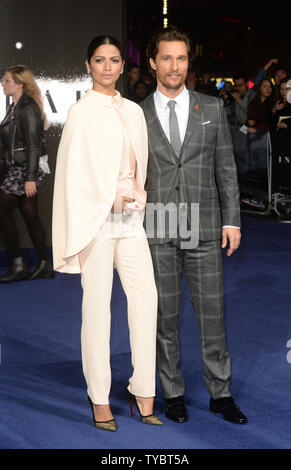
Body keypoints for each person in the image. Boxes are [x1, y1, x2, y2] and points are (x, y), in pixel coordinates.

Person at [52, 35, 162, 432]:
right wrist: (104, 200)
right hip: (96, 223)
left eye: (114, 60)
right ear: (88, 65)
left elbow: (141, 163)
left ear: (122, 66)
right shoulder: (80, 112)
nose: (108, 67)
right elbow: (72, 174)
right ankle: (99, 396)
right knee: (96, 311)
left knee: (146, 300)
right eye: (100, 60)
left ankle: (142, 388)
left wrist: (134, 194)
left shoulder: (132, 110)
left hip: (130, 220)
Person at [140, 26, 247, 425]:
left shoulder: (212, 108)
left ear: (189, 62)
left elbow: (226, 168)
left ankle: (221, 393)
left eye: (181, 58)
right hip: (159, 225)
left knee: (212, 316)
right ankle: (173, 393)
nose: (174, 66)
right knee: (164, 317)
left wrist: (232, 219)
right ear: (153, 63)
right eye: (166, 58)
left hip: (204, 225)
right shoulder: (138, 113)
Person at [0, 65, 53, 282]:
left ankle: (19, 264)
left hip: (26, 167)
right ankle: (44, 265)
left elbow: (32, 144)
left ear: (20, 84)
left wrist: (30, 176)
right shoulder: (14, 107)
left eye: (7, 81)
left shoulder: (27, 107)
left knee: (2, 210)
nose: (3, 84)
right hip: (19, 167)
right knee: (29, 213)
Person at [219, 73, 256, 175]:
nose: (238, 88)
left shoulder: (252, 94)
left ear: (247, 84)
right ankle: (241, 176)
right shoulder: (236, 95)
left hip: (250, 128)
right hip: (239, 128)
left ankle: (248, 175)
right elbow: (230, 110)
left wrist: (239, 100)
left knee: (247, 154)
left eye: (241, 85)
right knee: (238, 154)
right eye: (236, 85)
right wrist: (223, 100)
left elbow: (251, 112)